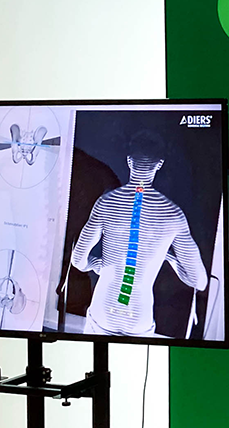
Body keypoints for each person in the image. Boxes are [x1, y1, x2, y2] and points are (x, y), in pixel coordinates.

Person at [70, 130, 207, 336]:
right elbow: (199, 282)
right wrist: (169, 257)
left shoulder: (106, 203)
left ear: (129, 161)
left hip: (103, 310)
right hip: (138, 318)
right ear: (159, 164)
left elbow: (78, 260)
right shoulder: (173, 214)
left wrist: (97, 265)